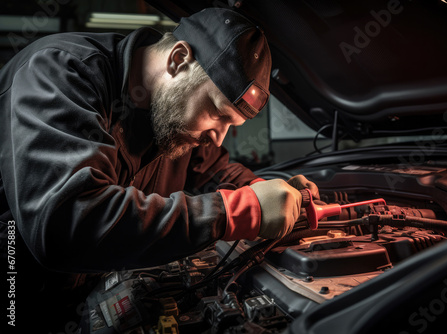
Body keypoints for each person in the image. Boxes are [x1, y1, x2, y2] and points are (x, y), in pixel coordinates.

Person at [0, 7, 318, 332]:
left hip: (80, 306)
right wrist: (237, 211)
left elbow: (216, 171)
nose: (218, 137)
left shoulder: (171, 118)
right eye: (218, 113)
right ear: (178, 60)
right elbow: (67, 223)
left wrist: (273, 192)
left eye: (231, 125)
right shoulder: (61, 73)